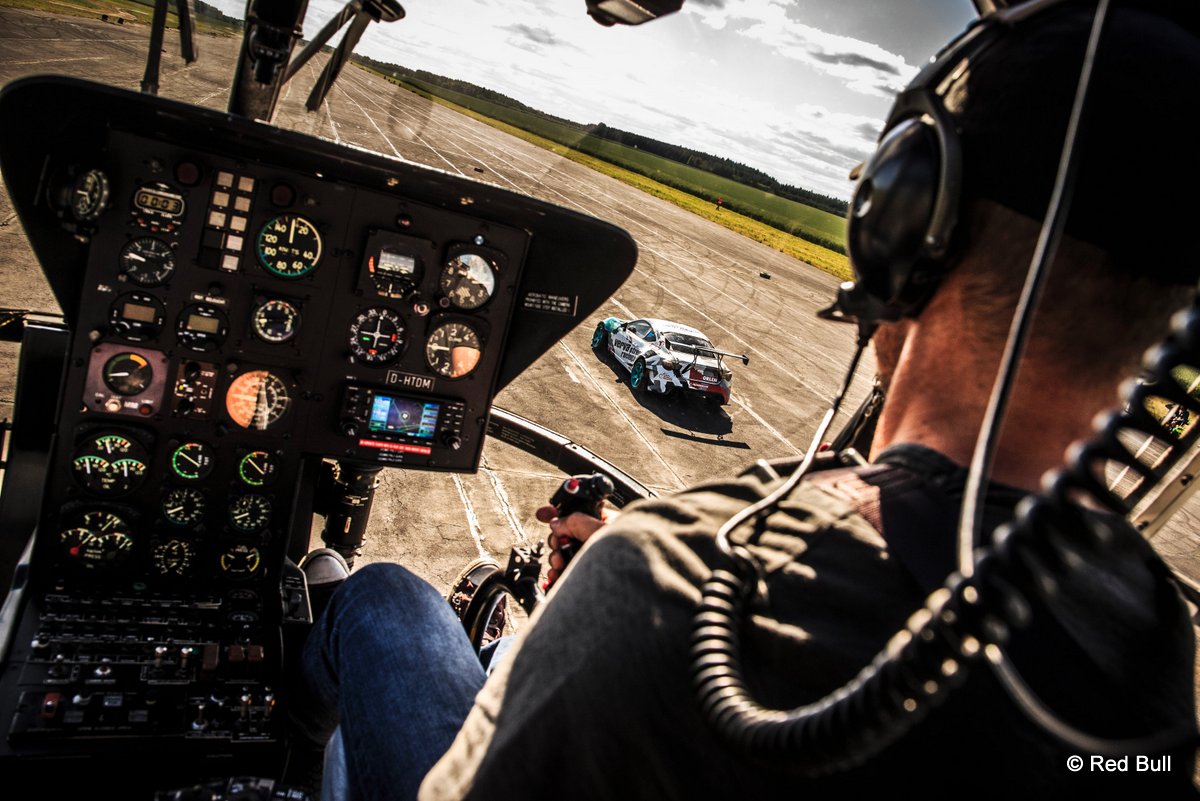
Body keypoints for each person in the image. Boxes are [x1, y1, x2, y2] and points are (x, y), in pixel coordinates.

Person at [293, 2, 1200, 799]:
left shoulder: (682, 578)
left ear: (900, 235)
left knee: (380, 598)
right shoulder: (1160, 668)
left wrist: (583, 610)